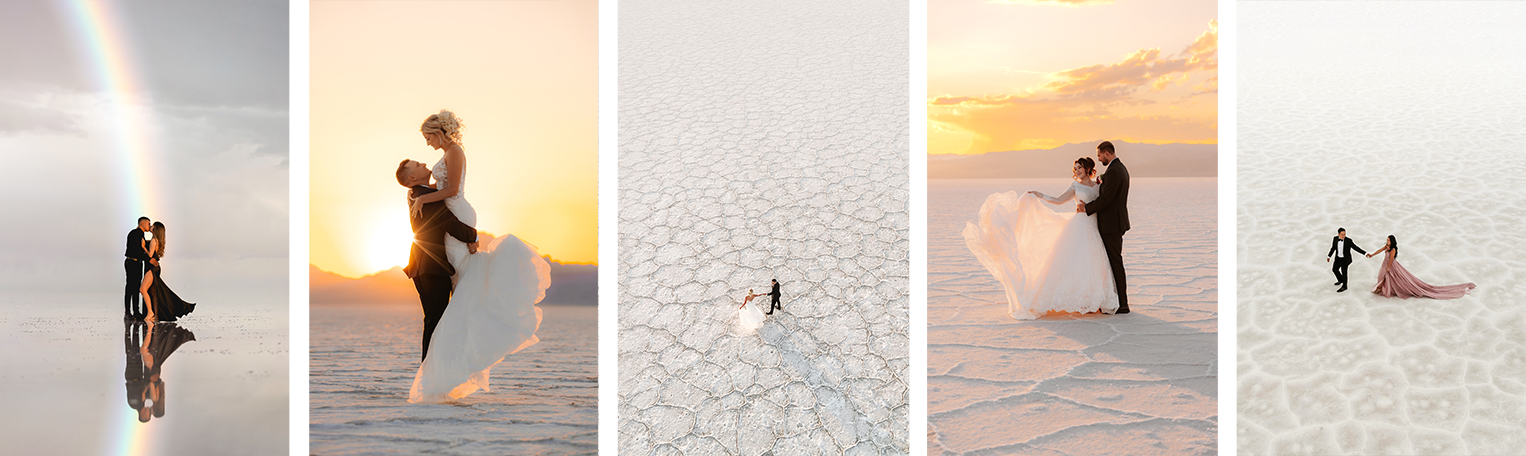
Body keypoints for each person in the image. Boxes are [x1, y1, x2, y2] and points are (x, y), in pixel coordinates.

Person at [400, 110, 551, 404]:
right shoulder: (437, 166)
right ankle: (444, 370)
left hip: (458, 212)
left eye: (428, 137)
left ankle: (444, 370)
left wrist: (423, 198)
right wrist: (421, 195)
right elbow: (436, 192)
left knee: (466, 292)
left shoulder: (455, 151)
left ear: (439, 132)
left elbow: (452, 190)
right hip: (450, 219)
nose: (428, 144)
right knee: (461, 294)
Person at [964, 156, 1120, 319]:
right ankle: (1076, 300)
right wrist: (1039, 194)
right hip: (1080, 226)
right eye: (1075, 169)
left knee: (1093, 262)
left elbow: (1103, 201)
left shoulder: (1098, 185)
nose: (1077, 171)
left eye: (1080, 167)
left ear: (1088, 168)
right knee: (1076, 261)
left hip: (1094, 226)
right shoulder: (1075, 186)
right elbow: (1059, 200)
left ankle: (1091, 301)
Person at [1079, 141, 1131, 314]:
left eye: (1100, 155)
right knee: (1113, 262)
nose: (1099, 158)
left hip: (1111, 224)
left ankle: (1122, 304)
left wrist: (1086, 208)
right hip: (1115, 222)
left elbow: (1107, 199)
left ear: (1107, 153)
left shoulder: (1115, 171)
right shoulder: (1119, 169)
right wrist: (1103, 179)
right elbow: (1110, 192)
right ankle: (1116, 301)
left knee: (1115, 263)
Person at [1367, 234, 1475, 299]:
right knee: (1387, 278)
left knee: (1392, 278)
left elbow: (1390, 260)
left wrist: (1388, 268)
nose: (1387, 241)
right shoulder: (1387, 246)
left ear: (1392, 241)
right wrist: (1372, 255)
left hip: (1390, 265)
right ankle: (1384, 288)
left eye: (1389, 240)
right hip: (1385, 264)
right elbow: (1379, 250)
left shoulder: (1393, 249)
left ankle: (1386, 288)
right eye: (1387, 240)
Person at [139, 222, 196, 322]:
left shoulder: (153, 240)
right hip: (155, 268)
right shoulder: (157, 240)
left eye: (152, 226)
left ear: (155, 229)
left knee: (143, 289)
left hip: (152, 268)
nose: (150, 226)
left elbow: (150, 255)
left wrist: (143, 246)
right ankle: (154, 313)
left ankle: (150, 312)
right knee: (153, 292)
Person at [124, 217, 152, 319]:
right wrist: (148, 259)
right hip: (132, 262)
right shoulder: (135, 233)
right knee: (130, 287)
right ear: (142, 223)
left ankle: (136, 311)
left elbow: (141, 249)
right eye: (148, 223)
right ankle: (128, 312)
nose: (149, 225)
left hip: (137, 263)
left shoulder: (141, 235)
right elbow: (137, 250)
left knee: (136, 288)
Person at [1326, 227, 1367, 292]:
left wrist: (1365, 253)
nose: (1343, 236)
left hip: (1345, 260)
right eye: (1342, 234)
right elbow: (1333, 248)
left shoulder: (1348, 241)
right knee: (1334, 269)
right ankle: (1341, 280)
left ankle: (1345, 286)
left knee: (1344, 272)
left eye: (1345, 234)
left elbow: (1355, 248)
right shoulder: (1335, 239)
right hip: (1338, 258)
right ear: (1338, 234)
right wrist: (1329, 256)